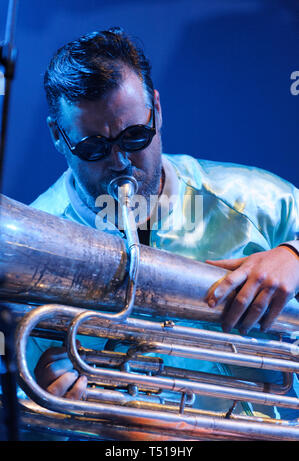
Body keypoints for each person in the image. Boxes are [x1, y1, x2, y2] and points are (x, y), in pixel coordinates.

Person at [30, 27, 299, 419]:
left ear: (157, 109)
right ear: (58, 135)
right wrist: (41, 400)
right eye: (93, 147)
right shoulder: (36, 239)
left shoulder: (255, 200)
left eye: (135, 135)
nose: (120, 161)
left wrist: (295, 255)